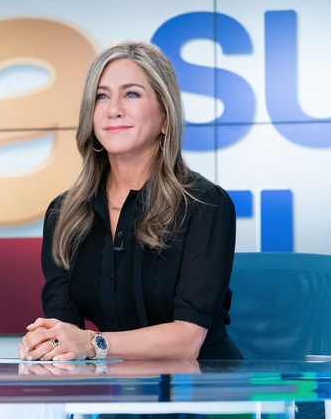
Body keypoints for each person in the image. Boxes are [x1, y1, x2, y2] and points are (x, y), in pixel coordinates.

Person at [19, 41, 242, 361]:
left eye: (132, 94)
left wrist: (92, 343)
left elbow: (188, 339)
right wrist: (48, 342)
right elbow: (65, 326)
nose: (113, 109)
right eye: (102, 96)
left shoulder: (205, 204)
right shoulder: (64, 213)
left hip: (204, 391)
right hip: (115, 389)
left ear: (166, 116)